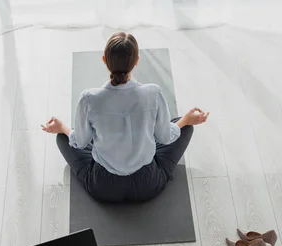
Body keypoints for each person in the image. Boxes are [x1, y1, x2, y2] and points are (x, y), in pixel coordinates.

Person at [42, 32, 208, 203]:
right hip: (148, 184)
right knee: (182, 126)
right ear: (137, 60)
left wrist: (62, 127)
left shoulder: (89, 98)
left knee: (64, 138)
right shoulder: (153, 93)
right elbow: (165, 137)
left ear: (104, 60)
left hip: (104, 187)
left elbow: (80, 142)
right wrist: (186, 120)